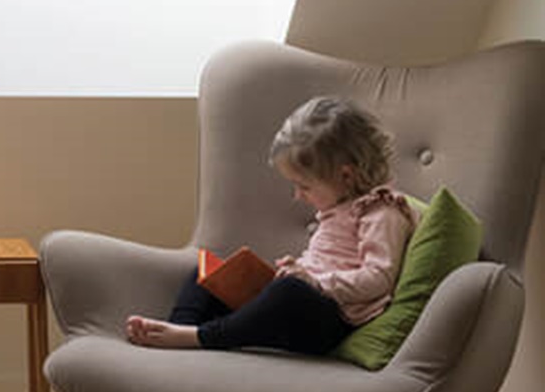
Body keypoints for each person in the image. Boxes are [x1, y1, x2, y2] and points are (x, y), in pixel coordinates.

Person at [126, 96, 416, 353]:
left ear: (346, 176)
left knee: (288, 292)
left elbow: (379, 278)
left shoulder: (381, 212)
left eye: (304, 186)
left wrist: (314, 282)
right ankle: (182, 330)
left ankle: (201, 337)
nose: (297, 195)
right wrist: (292, 272)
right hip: (301, 301)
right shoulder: (340, 206)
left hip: (332, 322)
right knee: (207, 272)